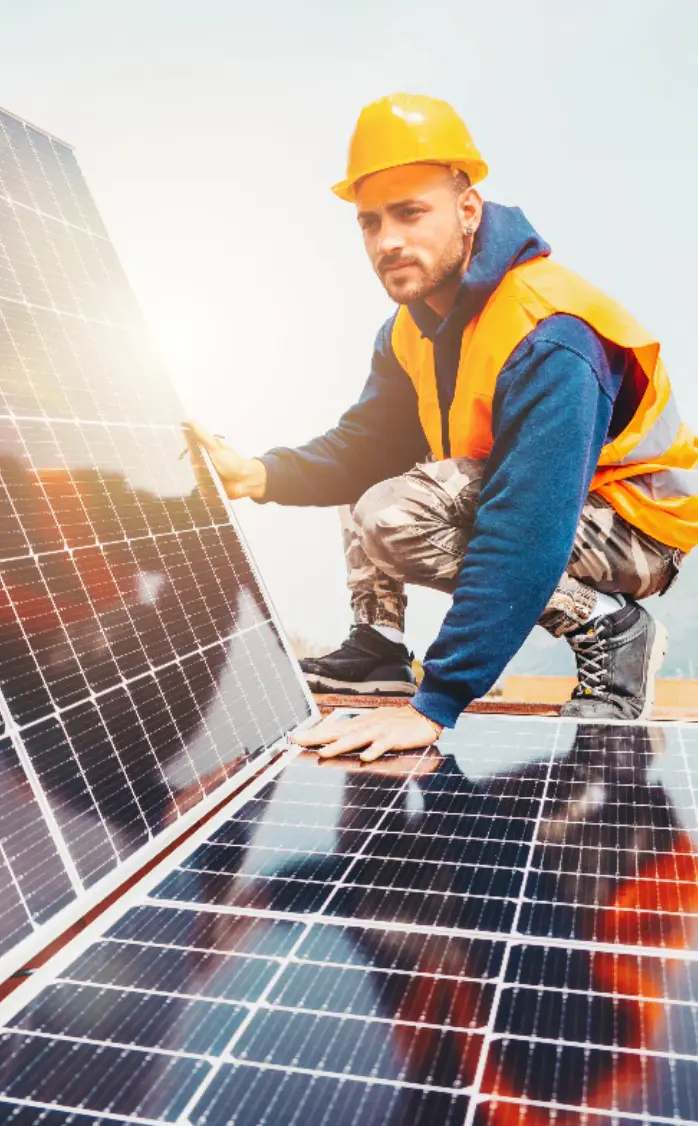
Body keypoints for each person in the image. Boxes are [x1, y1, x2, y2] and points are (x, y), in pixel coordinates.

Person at [188, 92, 698, 760]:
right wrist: (259, 473)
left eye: (410, 213)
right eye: (370, 222)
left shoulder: (551, 335)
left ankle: (610, 626)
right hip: (531, 503)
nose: (387, 240)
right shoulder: (411, 329)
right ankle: (377, 648)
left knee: (395, 509)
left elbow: (526, 523)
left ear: (467, 211)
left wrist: (438, 703)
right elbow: (366, 444)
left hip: (635, 527)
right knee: (379, 476)